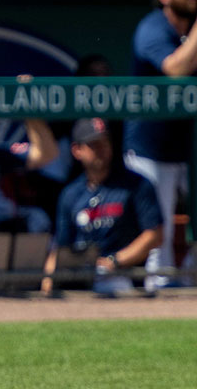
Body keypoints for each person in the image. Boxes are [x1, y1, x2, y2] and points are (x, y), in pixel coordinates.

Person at [124, 0, 197, 290]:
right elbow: (176, 68)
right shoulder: (152, 27)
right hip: (151, 146)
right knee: (161, 233)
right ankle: (159, 298)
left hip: (187, 143)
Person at [41, 118, 163, 297]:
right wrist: (47, 280)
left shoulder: (136, 185)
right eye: (94, 145)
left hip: (123, 275)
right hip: (81, 276)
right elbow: (61, 245)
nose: (101, 150)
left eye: (104, 143)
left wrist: (114, 261)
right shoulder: (71, 193)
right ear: (77, 150)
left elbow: (155, 234)